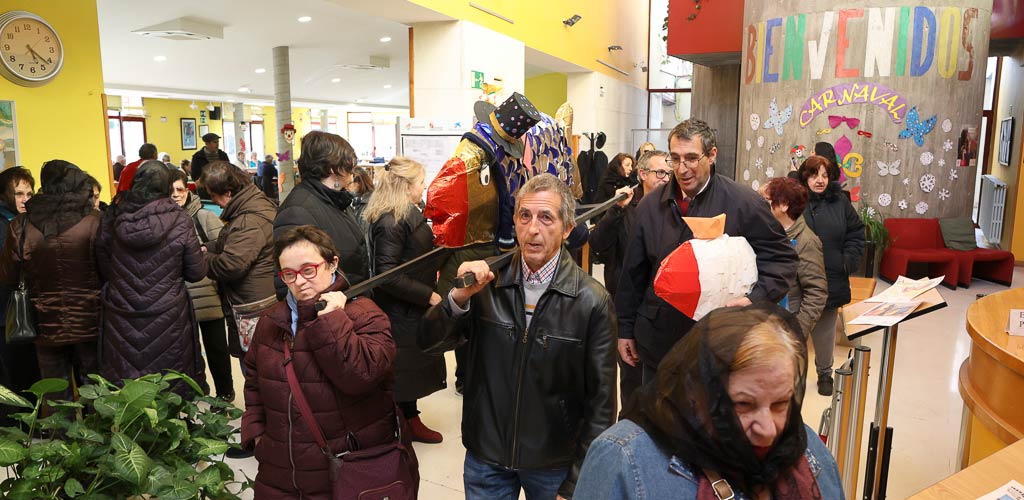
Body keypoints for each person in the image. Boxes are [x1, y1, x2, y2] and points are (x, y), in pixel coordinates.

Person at [420, 173, 617, 500]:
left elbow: (602, 404)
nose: (533, 229)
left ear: (568, 228)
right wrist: (458, 298)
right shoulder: (486, 284)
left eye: (546, 218)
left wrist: (575, 483)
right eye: (525, 216)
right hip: (487, 457)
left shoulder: (591, 301)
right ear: (514, 221)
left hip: (553, 462)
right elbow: (429, 342)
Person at [573, 304, 844, 500]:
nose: (768, 430)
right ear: (695, 392)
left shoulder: (806, 448)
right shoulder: (624, 458)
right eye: (743, 405)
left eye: (781, 404)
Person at [241, 225, 418, 499]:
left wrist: (332, 319)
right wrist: (257, 434)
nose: (300, 282)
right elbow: (254, 381)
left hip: (345, 470)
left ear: (332, 263)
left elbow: (360, 376)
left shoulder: (364, 314)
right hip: (279, 472)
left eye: (308, 270)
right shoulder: (272, 321)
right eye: (289, 274)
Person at [616, 118, 797, 383]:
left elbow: (782, 259)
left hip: (720, 348)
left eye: (691, 158)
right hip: (659, 345)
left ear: (712, 155)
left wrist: (755, 298)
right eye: (675, 159)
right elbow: (632, 274)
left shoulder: (744, 203)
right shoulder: (650, 206)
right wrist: (625, 328)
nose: (682, 169)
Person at [97, 162, 208, 395]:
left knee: (126, 387)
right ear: (167, 187)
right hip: (169, 315)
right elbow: (196, 272)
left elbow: (103, 264)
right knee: (169, 387)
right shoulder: (180, 219)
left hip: (121, 315)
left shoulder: (112, 216)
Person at [0, 160, 101, 403]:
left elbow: (8, 275)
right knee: (96, 387)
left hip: (44, 321)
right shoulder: (93, 220)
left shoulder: (22, 224)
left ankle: (60, 428)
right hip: (90, 318)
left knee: (55, 390)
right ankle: (97, 427)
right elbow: (108, 266)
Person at [364, 157, 446, 444]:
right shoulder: (391, 220)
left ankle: (408, 418)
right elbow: (387, 275)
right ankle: (400, 424)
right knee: (402, 371)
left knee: (408, 370)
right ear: (406, 186)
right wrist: (428, 295)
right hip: (400, 309)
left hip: (409, 307)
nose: (424, 187)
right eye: (421, 182)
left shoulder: (404, 214)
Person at [588, 150, 670, 405]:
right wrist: (616, 210)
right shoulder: (626, 205)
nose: (666, 178)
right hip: (627, 307)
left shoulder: (675, 208)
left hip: (663, 309)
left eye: (669, 173)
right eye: (660, 173)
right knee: (633, 381)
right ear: (642, 174)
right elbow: (597, 243)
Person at [797, 155, 864, 396]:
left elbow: (856, 231)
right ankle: (793, 374)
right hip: (799, 280)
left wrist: (848, 260)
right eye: (815, 175)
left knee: (825, 331)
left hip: (831, 277)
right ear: (805, 177)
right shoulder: (794, 200)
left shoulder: (840, 202)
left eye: (825, 175)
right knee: (795, 329)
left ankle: (825, 373)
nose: (820, 180)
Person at [274, 131, 369, 297]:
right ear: (333, 168)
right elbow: (292, 281)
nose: (353, 172)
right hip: (328, 308)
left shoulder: (336, 200)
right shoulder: (297, 211)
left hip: (347, 301)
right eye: (350, 166)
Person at [201, 161, 277, 368]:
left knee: (255, 370)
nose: (214, 201)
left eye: (214, 195)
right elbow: (234, 242)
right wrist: (208, 247)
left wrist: (201, 258)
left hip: (254, 306)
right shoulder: (253, 205)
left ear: (228, 193)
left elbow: (230, 265)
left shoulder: (248, 220)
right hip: (258, 301)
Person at [171, 169, 234, 401]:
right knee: (188, 351)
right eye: (171, 191)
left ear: (188, 191)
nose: (176, 195)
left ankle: (225, 393)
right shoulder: (165, 221)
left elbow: (224, 248)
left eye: (180, 189)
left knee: (217, 349)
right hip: (180, 298)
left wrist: (203, 252)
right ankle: (200, 390)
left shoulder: (204, 216)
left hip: (208, 296)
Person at [761, 177, 827, 342]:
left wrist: (796, 332)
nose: (759, 205)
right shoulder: (766, 231)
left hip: (786, 329)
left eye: (765, 201)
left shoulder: (806, 241)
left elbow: (816, 293)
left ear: (784, 205)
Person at [0, 167, 40, 414]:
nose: (25, 199)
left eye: (29, 193)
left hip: (23, 311)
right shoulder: (5, 224)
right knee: (13, 377)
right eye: (18, 193)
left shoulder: (27, 221)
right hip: (6, 313)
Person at [191, 133, 230, 198]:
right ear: (207, 143)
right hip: (205, 191)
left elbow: (229, 171)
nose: (217, 144)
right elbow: (195, 175)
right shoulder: (198, 157)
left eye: (218, 142)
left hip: (222, 189)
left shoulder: (223, 155)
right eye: (214, 142)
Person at [347, 166, 374, 231]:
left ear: (358, 183)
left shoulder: (370, 201)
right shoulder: (353, 198)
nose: (346, 186)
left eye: (349, 183)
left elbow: (364, 229)